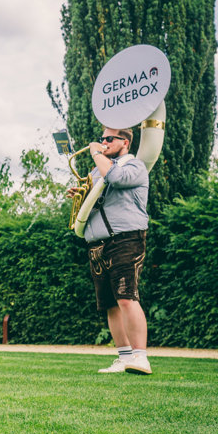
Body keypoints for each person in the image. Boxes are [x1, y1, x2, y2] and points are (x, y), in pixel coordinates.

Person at [67, 127, 152, 375]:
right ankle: (123, 357)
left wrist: (95, 154)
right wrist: (80, 194)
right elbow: (95, 200)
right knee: (110, 304)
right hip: (98, 242)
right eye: (101, 139)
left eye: (108, 139)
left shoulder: (134, 166)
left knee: (126, 297)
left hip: (125, 238)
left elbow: (115, 178)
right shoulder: (98, 169)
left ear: (124, 142)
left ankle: (140, 356)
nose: (102, 142)